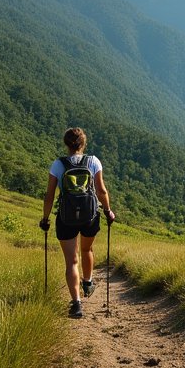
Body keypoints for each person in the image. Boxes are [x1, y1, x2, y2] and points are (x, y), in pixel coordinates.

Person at [40, 127, 115, 318]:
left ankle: (76, 304)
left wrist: (45, 218)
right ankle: (88, 282)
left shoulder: (58, 165)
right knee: (87, 250)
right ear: (83, 144)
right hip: (90, 216)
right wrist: (107, 211)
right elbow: (101, 191)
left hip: (66, 217)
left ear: (66, 144)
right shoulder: (93, 161)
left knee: (71, 261)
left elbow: (49, 195)